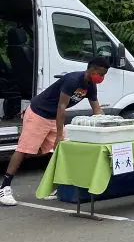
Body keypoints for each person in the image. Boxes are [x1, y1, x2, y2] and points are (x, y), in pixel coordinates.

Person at [1, 56, 109, 206]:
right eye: (100, 74)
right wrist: (59, 135)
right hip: (38, 113)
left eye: (104, 75)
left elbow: (96, 109)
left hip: (53, 117)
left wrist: (107, 125)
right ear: (92, 69)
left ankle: (52, 187)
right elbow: (61, 107)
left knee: (60, 150)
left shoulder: (91, 86)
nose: (101, 78)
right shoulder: (73, 80)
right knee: (24, 149)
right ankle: (4, 187)